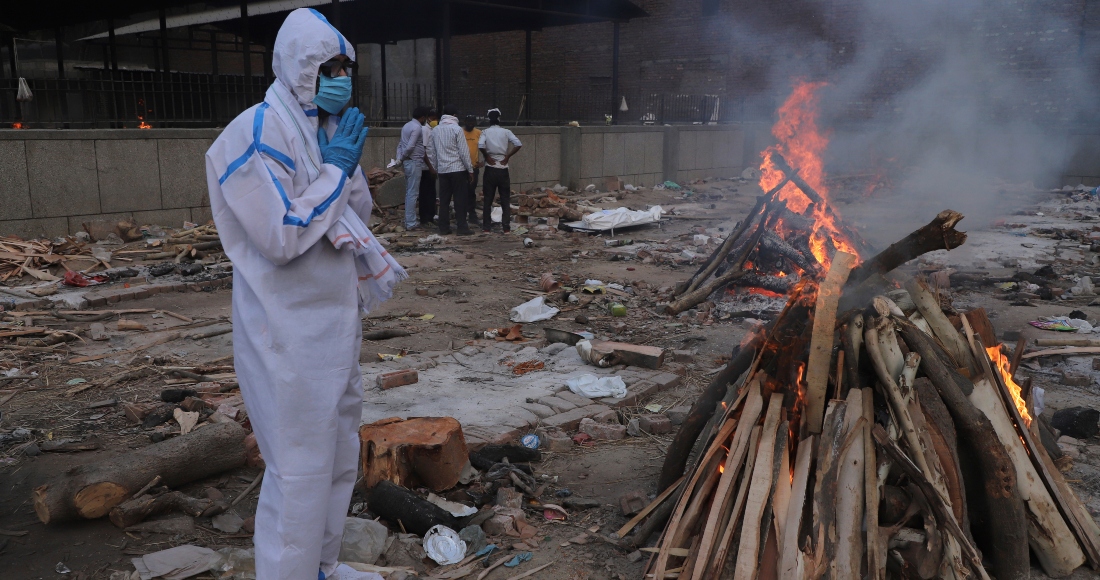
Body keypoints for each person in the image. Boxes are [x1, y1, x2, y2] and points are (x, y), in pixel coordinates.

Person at [205, 8, 405, 580]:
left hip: (332, 321)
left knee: (338, 455)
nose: (341, 78)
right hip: (286, 329)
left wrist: (344, 165)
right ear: (299, 68)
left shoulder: (322, 131)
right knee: (297, 468)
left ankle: (321, 566)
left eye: (345, 68)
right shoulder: (254, 133)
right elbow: (281, 235)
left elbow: (356, 215)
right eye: (328, 68)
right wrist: (335, 173)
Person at [426, 104, 475, 235]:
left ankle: (443, 228)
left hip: (443, 170)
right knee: (460, 199)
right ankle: (462, 227)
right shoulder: (457, 129)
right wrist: (470, 169)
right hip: (458, 169)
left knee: (444, 200)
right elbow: (463, 152)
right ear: (454, 116)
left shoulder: (435, 130)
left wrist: (436, 168)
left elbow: (433, 152)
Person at [478, 108, 523, 233]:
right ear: (499, 119)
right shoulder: (506, 132)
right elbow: (518, 144)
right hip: (503, 169)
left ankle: (486, 228)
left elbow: (480, 145)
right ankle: (506, 227)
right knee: (505, 199)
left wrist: (487, 156)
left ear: (489, 119)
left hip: (490, 169)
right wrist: (507, 156)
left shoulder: (485, 132)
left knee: (488, 199)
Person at [397, 106, 429, 230]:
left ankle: (409, 220)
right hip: (414, 162)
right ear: (422, 117)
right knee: (413, 193)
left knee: (409, 192)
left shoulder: (406, 126)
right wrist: (402, 157)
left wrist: (399, 158)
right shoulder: (417, 128)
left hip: (408, 162)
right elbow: (410, 146)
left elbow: (401, 144)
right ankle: (410, 223)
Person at [418, 109, 438, 227]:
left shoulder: (433, 130)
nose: (435, 121)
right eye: (433, 118)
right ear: (427, 118)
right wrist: (430, 167)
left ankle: (431, 216)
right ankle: (424, 218)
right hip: (426, 168)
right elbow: (423, 150)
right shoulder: (425, 130)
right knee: (425, 193)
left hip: (432, 166)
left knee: (431, 193)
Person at [462, 114, 483, 225]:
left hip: (474, 168)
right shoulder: (460, 132)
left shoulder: (478, 133)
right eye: (469, 123)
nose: (471, 125)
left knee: (471, 192)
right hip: (462, 168)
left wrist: (483, 161)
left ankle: (472, 215)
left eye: (473, 123)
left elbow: (485, 146)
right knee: (462, 192)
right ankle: (461, 215)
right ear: (464, 122)